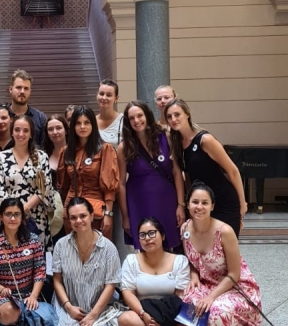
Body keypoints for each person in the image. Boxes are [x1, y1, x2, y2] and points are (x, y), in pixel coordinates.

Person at [124, 183, 262, 326]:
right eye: (195, 202)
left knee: (214, 313)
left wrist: (211, 297)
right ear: (187, 204)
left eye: (205, 203)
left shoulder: (225, 232)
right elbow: (191, 259)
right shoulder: (185, 229)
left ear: (212, 206)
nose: (199, 207)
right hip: (205, 284)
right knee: (187, 307)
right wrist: (195, 274)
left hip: (234, 288)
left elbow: (234, 274)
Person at [165, 98, 246, 236]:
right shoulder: (177, 144)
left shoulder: (205, 140)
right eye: (169, 116)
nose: (173, 119)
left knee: (225, 249)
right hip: (202, 204)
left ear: (187, 114)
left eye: (177, 114)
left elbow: (232, 171)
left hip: (223, 201)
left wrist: (242, 203)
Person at [52, 197, 120, 326]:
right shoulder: (61, 245)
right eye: (73, 218)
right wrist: (68, 307)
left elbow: (111, 285)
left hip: (97, 305)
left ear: (91, 216)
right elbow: (57, 281)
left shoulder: (108, 248)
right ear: (69, 221)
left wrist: (93, 315)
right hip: (68, 302)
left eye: (83, 216)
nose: (78, 221)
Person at [117, 101, 185, 251]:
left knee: (170, 243)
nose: (136, 121)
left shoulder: (165, 137)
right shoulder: (124, 147)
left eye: (140, 115)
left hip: (167, 200)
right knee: (146, 244)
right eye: (132, 118)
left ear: (147, 115)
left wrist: (181, 205)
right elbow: (120, 183)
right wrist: (125, 216)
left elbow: (176, 172)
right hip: (139, 202)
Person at [116, 218, 189, 326]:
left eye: (152, 233)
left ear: (163, 235)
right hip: (142, 313)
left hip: (169, 314)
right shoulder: (131, 260)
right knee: (125, 320)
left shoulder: (179, 260)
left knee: (188, 325)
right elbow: (128, 293)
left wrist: (164, 319)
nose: (147, 238)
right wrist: (143, 314)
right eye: (142, 235)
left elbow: (181, 296)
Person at [0, 199, 46, 326]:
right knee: (9, 313)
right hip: (4, 295)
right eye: (8, 214)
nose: (12, 218)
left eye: (17, 214)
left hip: (29, 294)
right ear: (1, 216)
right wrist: (2, 289)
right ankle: (4, 324)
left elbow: (40, 271)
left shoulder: (33, 240)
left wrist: (34, 296)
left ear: (22, 217)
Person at [0, 115, 55, 248]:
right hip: (8, 218)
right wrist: (13, 212)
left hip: (35, 217)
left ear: (31, 134)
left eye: (26, 130)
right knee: (8, 259)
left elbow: (44, 188)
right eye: (17, 130)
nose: (21, 134)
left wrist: (24, 209)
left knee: (35, 261)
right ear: (12, 132)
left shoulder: (41, 157)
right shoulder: (2, 157)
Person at [57, 105, 120, 235]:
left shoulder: (105, 150)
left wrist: (108, 214)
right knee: (73, 252)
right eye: (78, 123)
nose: (82, 127)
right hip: (71, 212)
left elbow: (109, 187)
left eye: (87, 123)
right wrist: (64, 208)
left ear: (93, 125)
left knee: (99, 251)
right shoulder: (66, 151)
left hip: (95, 212)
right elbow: (63, 186)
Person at [7, 69, 47, 146]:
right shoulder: (1, 119)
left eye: (26, 88)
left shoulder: (40, 118)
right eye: (18, 87)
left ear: (30, 91)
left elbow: (44, 148)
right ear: (10, 89)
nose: (22, 91)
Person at [95, 80, 123, 148]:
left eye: (109, 95)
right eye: (101, 94)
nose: (104, 98)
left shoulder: (124, 121)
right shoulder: (90, 121)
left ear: (116, 98)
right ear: (97, 95)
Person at [42, 114, 68, 186]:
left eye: (58, 128)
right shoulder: (43, 155)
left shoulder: (76, 152)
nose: (55, 132)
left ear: (66, 130)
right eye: (50, 129)